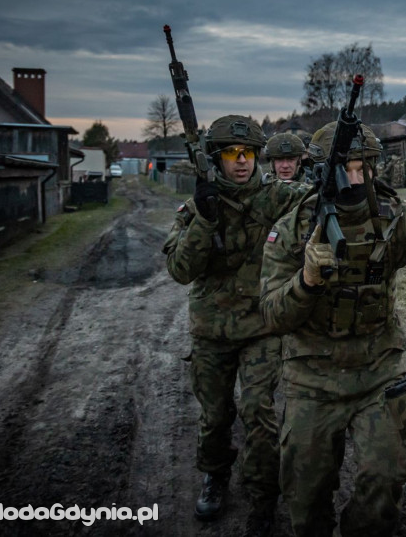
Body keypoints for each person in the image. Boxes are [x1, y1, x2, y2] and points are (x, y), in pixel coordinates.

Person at [257, 121, 406, 537]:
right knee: (304, 491)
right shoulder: (294, 228)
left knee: (387, 476)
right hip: (311, 379)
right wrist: (306, 282)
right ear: (320, 172)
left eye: (365, 167)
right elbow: (272, 315)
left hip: (377, 372)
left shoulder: (396, 217)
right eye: (346, 168)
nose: (356, 178)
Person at [162, 115, 306, 536]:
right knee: (216, 414)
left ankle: (263, 497)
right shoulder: (197, 207)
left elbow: (317, 200)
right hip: (211, 331)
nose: (240, 162)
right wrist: (205, 221)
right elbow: (180, 270)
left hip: (261, 325)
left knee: (258, 410)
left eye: (246, 153)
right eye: (230, 154)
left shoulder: (276, 196)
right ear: (217, 158)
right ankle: (216, 475)